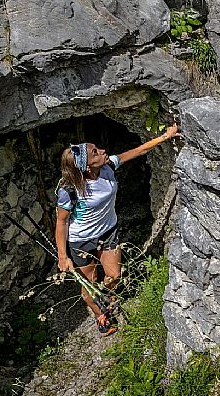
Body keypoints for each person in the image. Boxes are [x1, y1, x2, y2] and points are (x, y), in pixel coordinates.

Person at [55, 125, 180, 335]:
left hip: (108, 231)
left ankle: (107, 297)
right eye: (95, 152)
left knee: (114, 275)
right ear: (86, 167)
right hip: (81, 240)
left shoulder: (107, 167)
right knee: (89, 283)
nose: (103, 151)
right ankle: (100, 314)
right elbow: (62, 222)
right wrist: (62, 256)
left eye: (97, 148)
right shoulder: (69, 191)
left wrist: (164, 137)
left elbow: (137, 151)